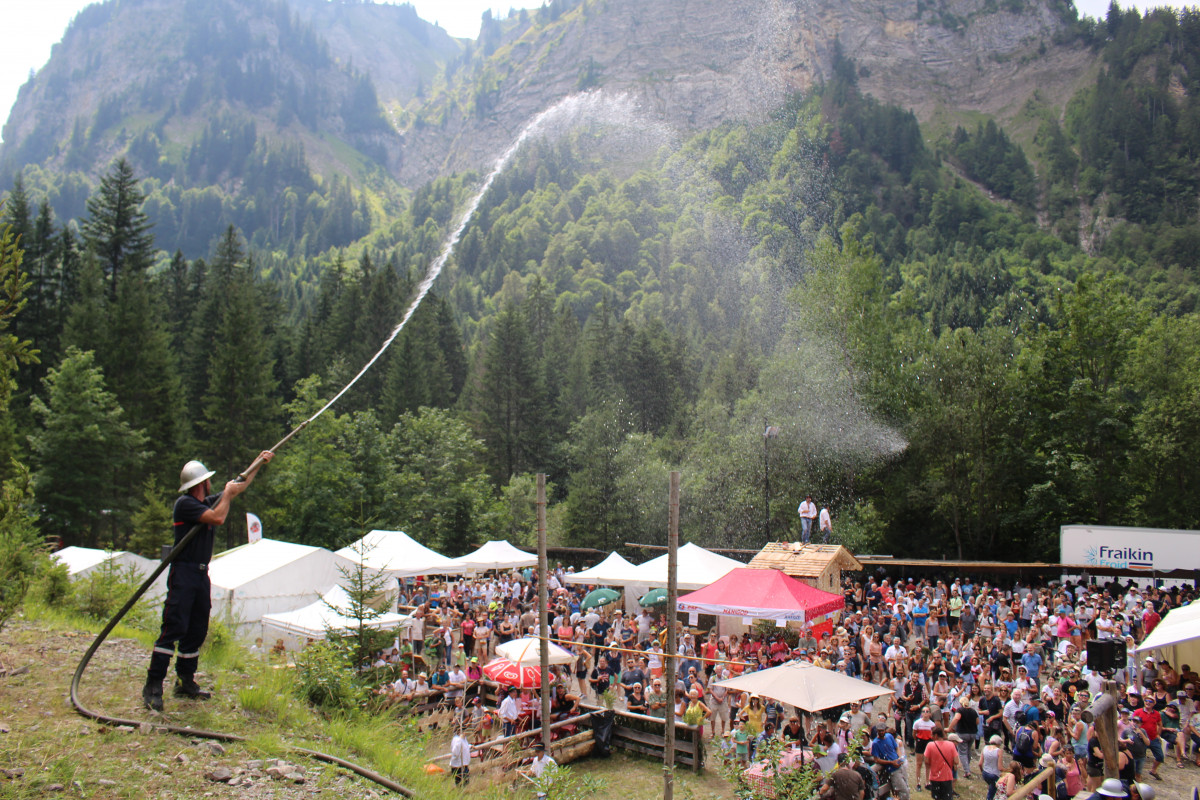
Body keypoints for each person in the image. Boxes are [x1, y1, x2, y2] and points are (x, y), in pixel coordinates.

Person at [142, 453, 273, 711]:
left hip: (201, 573)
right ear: (203, 483)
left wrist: (259, 462)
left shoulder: (207, 502)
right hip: (184, 572)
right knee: (174, 626)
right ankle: (153, 683)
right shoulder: (186, 504)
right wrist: (226, 494)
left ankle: (185, 680)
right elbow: (218, 518)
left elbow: (236, 489)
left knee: (197, 628)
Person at [924, 726, 958, 800]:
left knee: (937, 798)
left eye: (932, 735)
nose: (931, 736)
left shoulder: (930, 745)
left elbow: (926, 761)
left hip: (935, 777)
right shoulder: (951, 745)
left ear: (936, 735)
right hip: (947, 777)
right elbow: (956, 761)